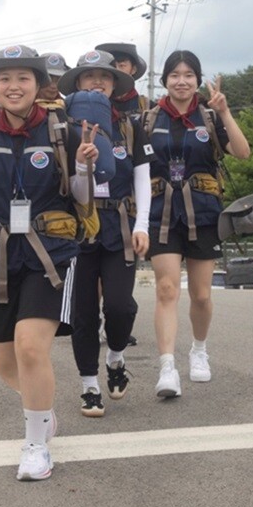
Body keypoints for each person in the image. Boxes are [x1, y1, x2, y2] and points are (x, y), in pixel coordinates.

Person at [0, 45, 99, 481]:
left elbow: (82, 197)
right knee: (3, 360)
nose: (13, 87)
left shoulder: (64, 132)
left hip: (51, 254)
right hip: (0, 255)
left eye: (23, 78)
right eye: (4, 79)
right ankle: (43, 410)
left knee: (30, 347)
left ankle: (36, 445)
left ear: (38, 85)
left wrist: (86, 168)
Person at [144, 48, 249, 399]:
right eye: (175, 75)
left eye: (189, 75)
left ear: (197, 79)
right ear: (165, 80)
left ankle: (199, 350)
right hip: (161, 213)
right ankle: (167, 366)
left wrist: (225, 111)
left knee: (201, 295)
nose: (182, 81)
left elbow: (243, 151)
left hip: (203, 212)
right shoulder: (149, 118)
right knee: (166, 289)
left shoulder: (209, 115)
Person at [56, 50, 152, 418]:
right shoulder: (61, 127)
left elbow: (142, 178)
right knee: (83, 312)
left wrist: (142, 224)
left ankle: (115, 358)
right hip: (77, 230)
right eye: (89, 76)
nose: (98, 81)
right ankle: (89, 386)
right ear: (77, 83)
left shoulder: (130, 125)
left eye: (106, 77)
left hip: (119, 226)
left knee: (120, 304)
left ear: (115, 85)